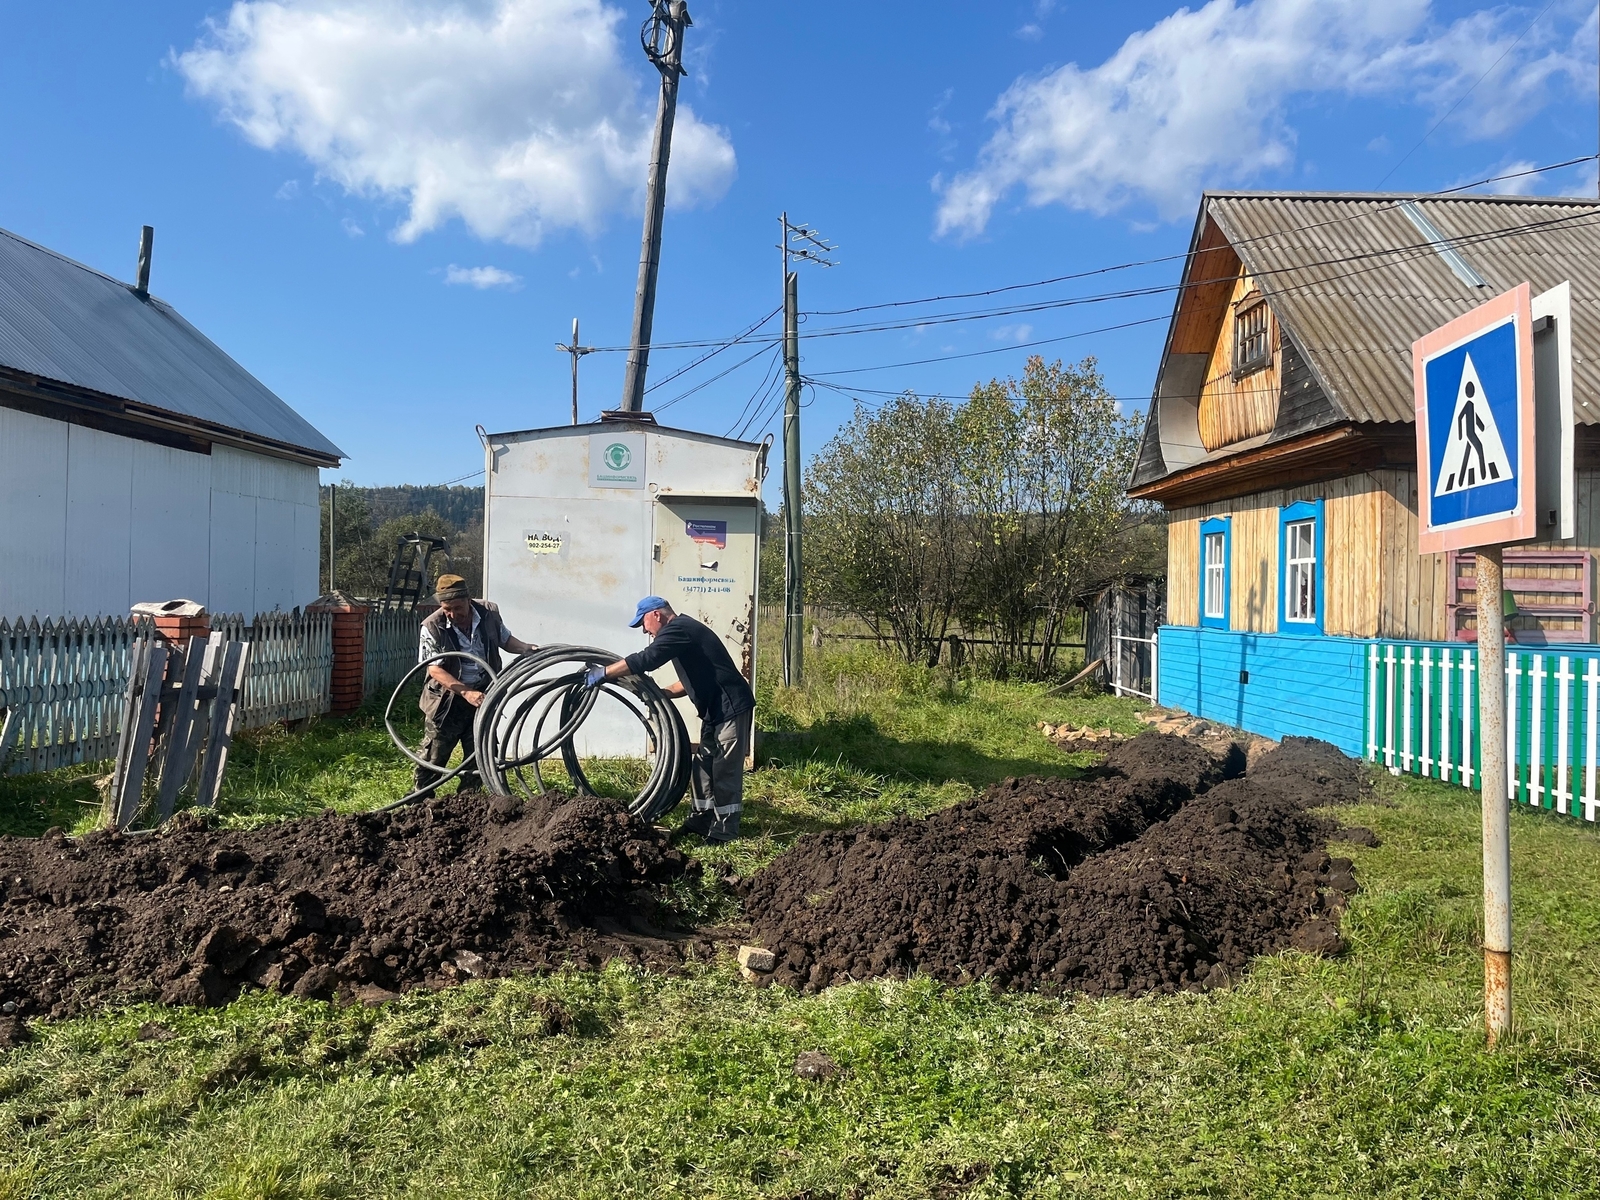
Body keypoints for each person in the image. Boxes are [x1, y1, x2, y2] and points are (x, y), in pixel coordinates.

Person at [587, 596, 755, 842]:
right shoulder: (683, 634)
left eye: (643, 623)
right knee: (703, 769)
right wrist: (660, 694)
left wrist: (605, 672)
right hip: (714, 711)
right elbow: (687, 683)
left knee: (724, 772)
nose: (644, 630)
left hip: (730, 709)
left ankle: (724, 832)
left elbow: (646, 659)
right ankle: (701, 820)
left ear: (656, 614)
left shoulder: (679, 629)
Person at [415, 574, 537, 796]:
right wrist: (466, 692)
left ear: (468, 599)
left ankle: (469, 802)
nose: (452, 614)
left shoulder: (487, 614)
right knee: (434, 753)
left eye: (457, 607)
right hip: (447, 700)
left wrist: (526, 648)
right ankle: (420, 802)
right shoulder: (432, 626)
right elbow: (434, 669)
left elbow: (505, 639)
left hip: (483, 695)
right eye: (446, 608)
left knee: (481, 751)